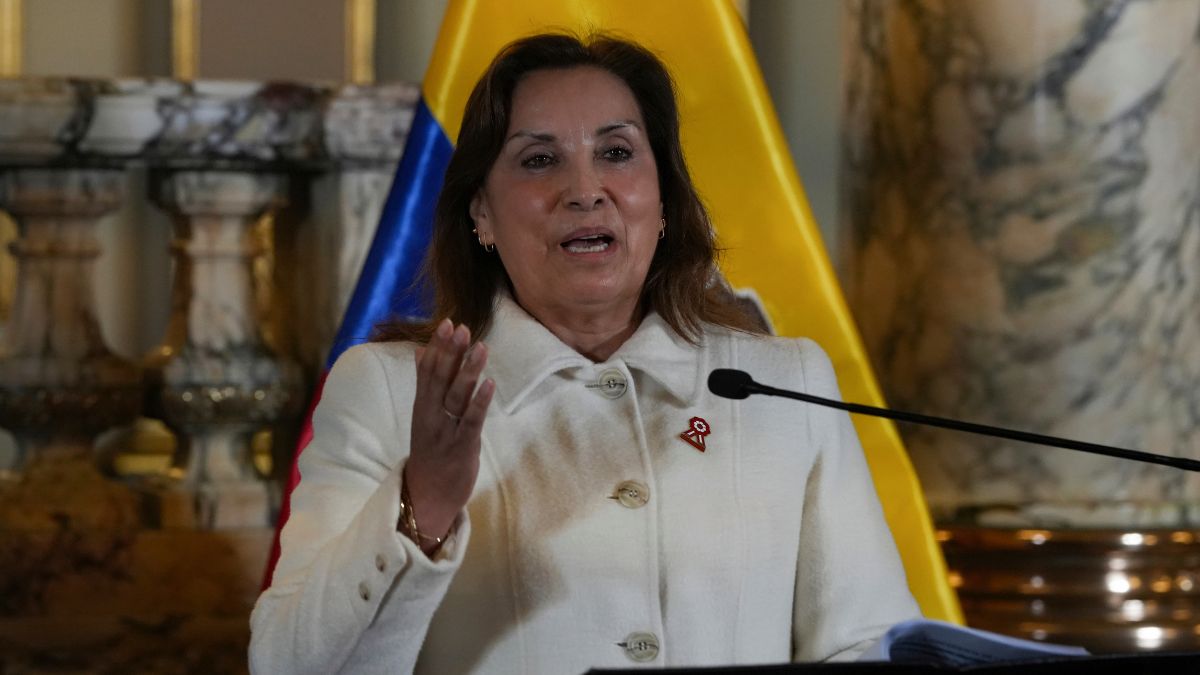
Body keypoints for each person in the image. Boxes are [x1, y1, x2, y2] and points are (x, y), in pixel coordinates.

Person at [249, 33, 920, 674]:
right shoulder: (388, 391)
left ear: (662, 201)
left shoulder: (784, 384)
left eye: (618, 153)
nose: (585, 189)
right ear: (480, 212)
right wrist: (420, 504)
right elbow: (287, 664)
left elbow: (868, 644)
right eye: (540, 159)